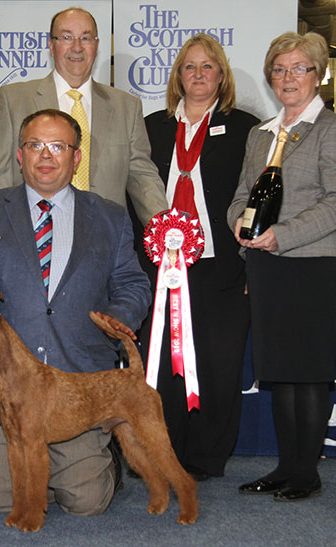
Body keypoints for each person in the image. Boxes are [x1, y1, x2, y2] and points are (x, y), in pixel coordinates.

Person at [0, 109, 151, 515]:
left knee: (87, 503)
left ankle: (98, 456)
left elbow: (134, 284)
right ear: (19, 155)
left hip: (76, 392)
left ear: (76, 158)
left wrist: (118, 317)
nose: (46, 155)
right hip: (3, 399)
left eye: (58, 146)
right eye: (35, 145)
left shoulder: (110, 216)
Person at [135, 34, 259, 482]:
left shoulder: (247, 128)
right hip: (161, 268)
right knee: (163, 366)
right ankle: (159, 452)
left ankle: (205, 460)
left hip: (222, 268)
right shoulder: (151, 127)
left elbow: (258, 199)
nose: (199, 74)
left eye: (209, 67)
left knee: (218, 364)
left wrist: (253, 262)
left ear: (221, 76)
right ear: (178, 76)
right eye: (190, 67)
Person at [228, 31, 336, 501]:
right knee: (280, 372)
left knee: (308, 373)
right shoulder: (260, 134)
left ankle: (306, 475)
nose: (288, 78)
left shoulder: (330, 130)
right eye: (279, 69)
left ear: (319, 75)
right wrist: (239, 228)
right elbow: (240, 197)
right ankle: (286, 467)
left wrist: (282, 236)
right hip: (266, 268)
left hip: (311, 267)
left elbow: (335, 203)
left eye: (299, 68)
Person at [0, 7, 167, 227]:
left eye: (85, 38)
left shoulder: (127, 106)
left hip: (104, 240)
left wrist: (166, 232)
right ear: (51, 45)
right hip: (32, 238)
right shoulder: (14, 99)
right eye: (67, 37)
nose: (77, 47)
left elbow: (143, 179)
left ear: (96, 46)